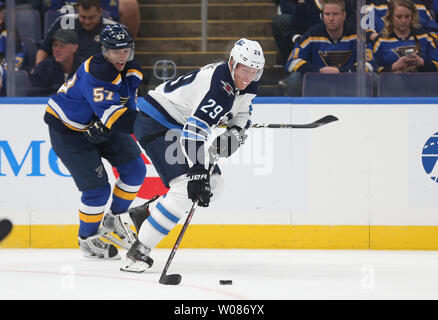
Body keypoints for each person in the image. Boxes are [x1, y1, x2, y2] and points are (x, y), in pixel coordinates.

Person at [119, 38, 265, 272]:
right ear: (232, 64)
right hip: (157, 122)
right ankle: (138, 251)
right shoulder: (220, 89)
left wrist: (237, 130)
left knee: (213, 183)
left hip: (176, 125)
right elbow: (193, 134)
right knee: (186, 187)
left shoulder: (247, 83)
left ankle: (145, 213)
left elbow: (243, 111)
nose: (247, 78)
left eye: (253, 72)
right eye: (244, 70)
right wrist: (197, 171)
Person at [43, 23, 146, 259]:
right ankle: (87, 238)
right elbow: (116, 118)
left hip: (100, 124)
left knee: (135, 169)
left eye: (126, 50)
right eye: (116, 51)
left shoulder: (132, 68)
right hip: (69, 131)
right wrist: (154, 124)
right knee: (97, 191)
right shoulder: (97, 72)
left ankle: (114, 218)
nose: (123, 57)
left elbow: (128, 106)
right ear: (104, 51)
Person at [280, 0, 373, 96]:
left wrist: (340, 71)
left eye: (335, 14)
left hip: (350, 83)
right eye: (327, 14)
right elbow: (292, 62)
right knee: (294, 78)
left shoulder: (358, 35)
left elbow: (369, 64)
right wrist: (319, 70)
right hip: (317, 83)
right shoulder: (311, 35)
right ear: (322, 16)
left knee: (373, 77)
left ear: (344, 16)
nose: (331, 18)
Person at [36, 0, 116, 66]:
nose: (87, 22)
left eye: (91, 17)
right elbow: (44, 49)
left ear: (100, 12)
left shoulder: (113, 28)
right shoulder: (65, 21)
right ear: (77, 10)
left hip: (98, 76)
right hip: (64, 76)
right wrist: (38, 69)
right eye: (83, 17)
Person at [371, 0, 438, 73]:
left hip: (422, 82)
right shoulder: (380, 41)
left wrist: (422, 63)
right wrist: (394, 67)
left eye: (407, 16)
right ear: (391, 17)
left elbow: (436, 64)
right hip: (390, 83)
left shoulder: (426, 38)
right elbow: (374, 71)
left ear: (412, 16)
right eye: (399, 17)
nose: (403, 20)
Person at [29, 29, 83, 96]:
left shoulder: (85, 69)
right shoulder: (43, 68)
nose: (57, 50)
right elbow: (33, 95)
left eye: (62, 46)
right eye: (55, 45)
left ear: (74, 48)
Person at [43, 0, 140, 37]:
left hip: (97, 19)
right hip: (67, 19)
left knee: (129, 5)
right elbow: (53, 11)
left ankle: (126, 47)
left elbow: (109, 12)